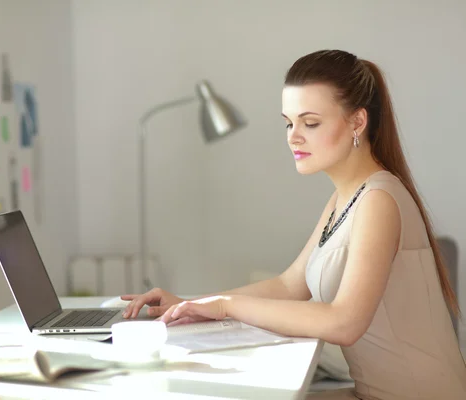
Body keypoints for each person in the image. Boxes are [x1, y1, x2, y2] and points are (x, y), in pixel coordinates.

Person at [121, 49, 466, 399]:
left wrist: (226, 306)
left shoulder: (379, 199)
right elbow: (290, 285)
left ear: (357, 122)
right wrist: (190, 304)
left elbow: (344, 322)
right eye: (289, 122)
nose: (293, 136)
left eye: (310, 123)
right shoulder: (346, 198)